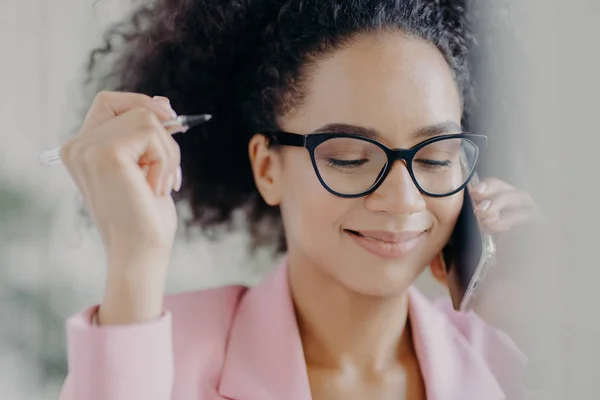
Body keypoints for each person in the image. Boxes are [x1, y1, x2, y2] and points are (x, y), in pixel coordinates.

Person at [58, 1, 538, 399]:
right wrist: (134, 259)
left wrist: (537, 315)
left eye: (436, 157)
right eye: (350, 158)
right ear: (268, 168)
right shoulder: (162, 349)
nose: (403, 200)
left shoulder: (508, 357)